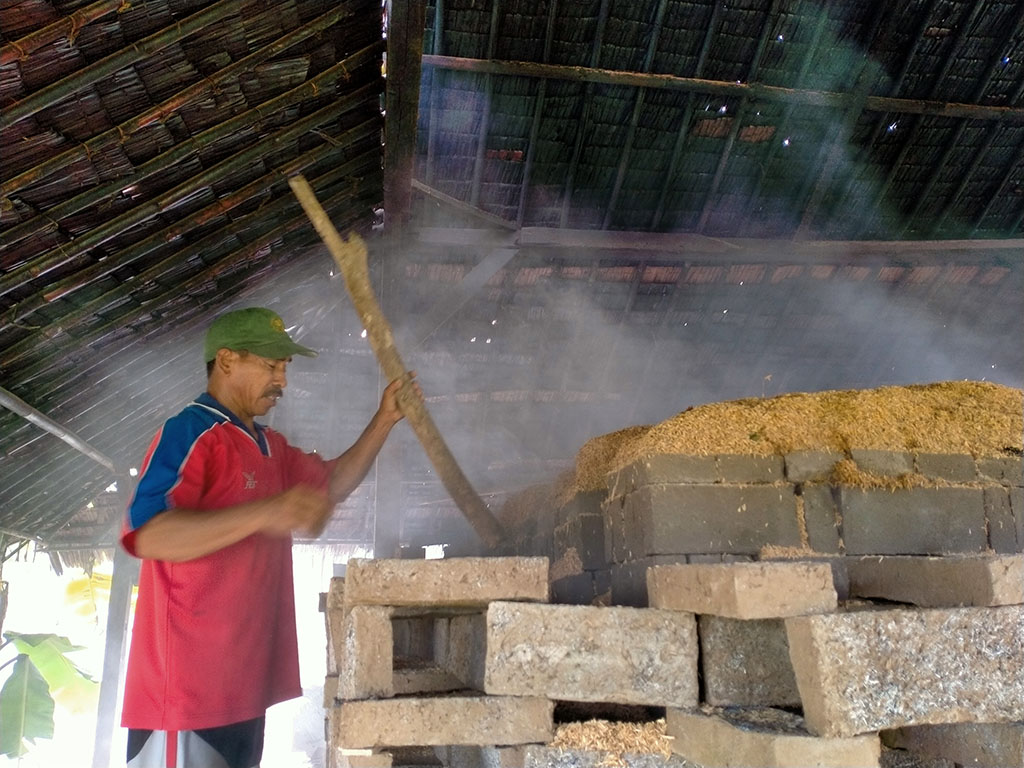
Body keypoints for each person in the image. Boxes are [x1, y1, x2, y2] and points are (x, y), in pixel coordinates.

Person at [119, 306, 417, 768]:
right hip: (187, 697)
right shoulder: (189, 433)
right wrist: (269, 510)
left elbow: (331, 483)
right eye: (271, 365)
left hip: (245, 687)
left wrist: (385, 420)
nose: (282, 380)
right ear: (226, 361)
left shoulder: (270, 446)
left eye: (285, 368)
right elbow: (151, 534)